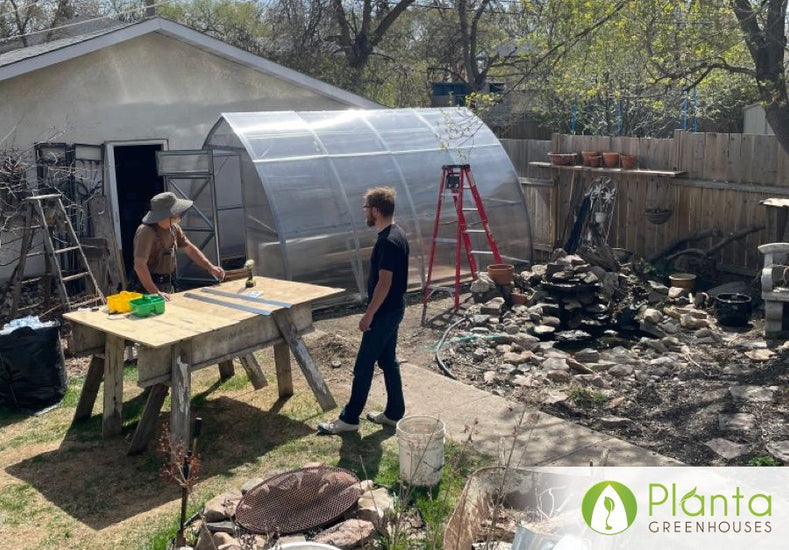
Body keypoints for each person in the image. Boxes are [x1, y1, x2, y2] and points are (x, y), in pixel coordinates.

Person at [318, 187, 410, 434]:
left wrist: (369, 314)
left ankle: (350, 418)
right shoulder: (397, 233)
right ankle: (394, 413)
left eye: (367, 209)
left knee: (363, 365)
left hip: (384, 313)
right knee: (388, 361)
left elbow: (385, 282)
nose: (365, 213)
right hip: (394, 308)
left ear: (376, 211)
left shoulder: (388, 241)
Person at [131, 191, 225, 300]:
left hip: (168, 285)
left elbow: (190, 249)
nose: (179, 213)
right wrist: (155, 292)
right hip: (148, 290)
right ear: (168, 213)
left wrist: (210, 267)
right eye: (176, 210)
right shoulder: (146, 232)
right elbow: (139, 265)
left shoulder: (174, 228)